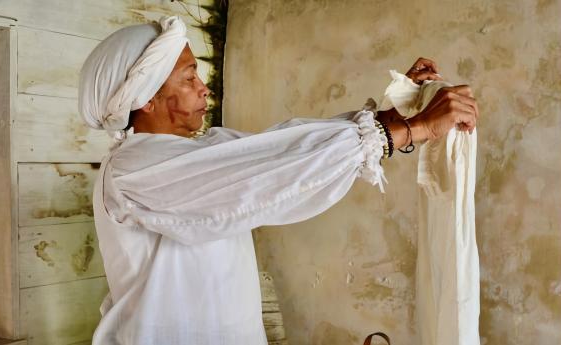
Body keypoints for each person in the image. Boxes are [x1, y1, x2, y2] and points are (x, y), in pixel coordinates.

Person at [78, 16, 478, 345]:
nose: (203, 88)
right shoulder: (132, 167)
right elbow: (271, 172)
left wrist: (392, 116)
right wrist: (412, 130)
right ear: (146, 98)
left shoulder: (204, 151)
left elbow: (284, 147)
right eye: (188, 78)